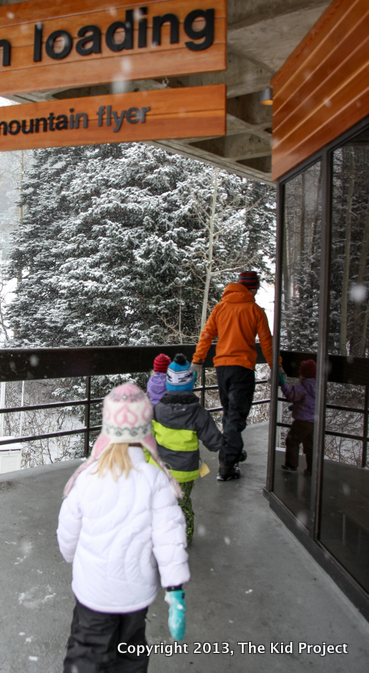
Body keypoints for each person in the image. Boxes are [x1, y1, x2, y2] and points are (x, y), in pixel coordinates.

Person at [57, 382, 190, 673]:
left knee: (87, 653)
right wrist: (175, 589)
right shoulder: (156, 480)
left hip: (94, 592)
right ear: (145, 431)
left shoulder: (88, 477)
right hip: (135, 595)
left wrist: (72, 556)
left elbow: (68, 534)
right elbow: (170, 539)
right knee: (130, 654)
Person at [191, 270, 273, 482]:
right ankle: (227, 464)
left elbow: (207, 335)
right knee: (236, 416)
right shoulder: (255, 311)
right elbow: (267, 343)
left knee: (230, 412)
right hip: (242, 369)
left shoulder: (220, 308)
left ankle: (234, 452)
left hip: (222, 369)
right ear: (252, 288)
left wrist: (197, 361)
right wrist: (276, 367)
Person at [151, 353, 223, 542]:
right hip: (185, 470)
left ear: (168, 383)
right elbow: (214, 441)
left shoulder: (156, 410)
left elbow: (144, 436)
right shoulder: (198, 413)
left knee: (160, 502)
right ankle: (185, 534)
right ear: (190, 384)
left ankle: (160, 533)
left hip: (161, 469)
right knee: (183, 503)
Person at [280, 359, 316, 475]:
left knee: (292, 441)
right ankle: (312, 469)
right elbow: (310, 402)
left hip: (302, 421)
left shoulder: (301, 387)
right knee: (310, 446)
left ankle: (291, 465)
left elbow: (291, 396)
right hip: (314, 421)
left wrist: (283, 384)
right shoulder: (318, 386)